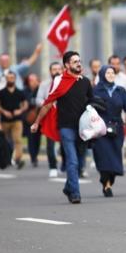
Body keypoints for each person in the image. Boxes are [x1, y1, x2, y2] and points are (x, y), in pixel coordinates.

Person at [31, 51, 93, 204]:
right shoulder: (59, 80)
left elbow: (92, 103)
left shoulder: (85, 82)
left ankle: (68, 187)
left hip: (82, 128)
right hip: (65, 126)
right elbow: (48, 103)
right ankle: (75, 194)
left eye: (79, 61)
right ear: (67, 65)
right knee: (72, 161)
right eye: (74, 61)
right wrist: (37, 122)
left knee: (79, 161)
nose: (79, 63)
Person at [91, 65, 126, 197]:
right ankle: (106, 184)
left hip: (116, 128)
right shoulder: (95, 90)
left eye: (112, 73)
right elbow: (88, 107)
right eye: (107, 73)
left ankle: (109, 180)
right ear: (102, 75)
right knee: (103, 156)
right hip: (100, 129)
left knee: (114, 157)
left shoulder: (120, 91)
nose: (110, 75)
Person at [34, 62, 63, 178]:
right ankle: (53, 166)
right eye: (54, 69)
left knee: (65, 142)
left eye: (58, 69)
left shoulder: (66, 83)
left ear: (62, 70)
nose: (56, 71)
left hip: (63, 115)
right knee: (50, 143)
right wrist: (47, 104)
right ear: (50, 71)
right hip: (49, 116)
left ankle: (65, 164)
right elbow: (38, 99)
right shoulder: (44, 84)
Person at [0, 71, 29, 169]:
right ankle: (4, 159)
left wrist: (20, 110)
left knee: (17, 139)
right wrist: (3, 111)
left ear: (15, 79)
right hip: (4, 120)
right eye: (9, 78)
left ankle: (16, 159)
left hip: (17, 120)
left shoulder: (20, 92)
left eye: (12, 78)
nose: (11, 79)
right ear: (6, 79)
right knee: (4, 141)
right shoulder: (1, 92)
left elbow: (25, 104)